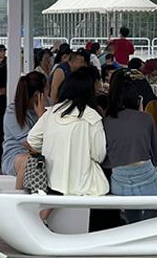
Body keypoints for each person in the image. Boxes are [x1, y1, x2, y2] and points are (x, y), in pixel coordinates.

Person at [27, 67, 108, 196]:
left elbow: (32, 139)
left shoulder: (51, 112)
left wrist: (50, 149)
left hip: (50, 183)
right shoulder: (92, 117)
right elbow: (99, 155)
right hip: (84, 187)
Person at [103, 70, 157, 222]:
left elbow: (105, 159)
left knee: (132, 215)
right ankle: (150, 229)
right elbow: (155, 152)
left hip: (119, 184)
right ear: (137, 99)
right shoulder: (146, 119)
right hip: (149, 181)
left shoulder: (105, 122)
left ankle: (132, 227)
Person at [2, 71, 46, 187]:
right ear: (37, 95)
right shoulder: (12, 113)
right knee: (28, 161)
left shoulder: (45, 112)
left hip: (39, 155)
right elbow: (31, 145)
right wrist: (41, 119)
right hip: (16, 156)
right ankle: (20, 196)